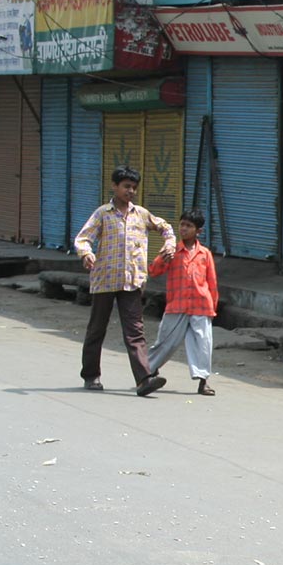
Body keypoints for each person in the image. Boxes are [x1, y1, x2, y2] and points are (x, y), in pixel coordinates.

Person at [73, 165, 175, 396]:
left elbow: (166, 228)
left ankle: (144, 379)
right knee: (96, 329)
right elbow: (83, 238)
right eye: (126, 186)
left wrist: (169, 246)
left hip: (132, 281)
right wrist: (87, 254)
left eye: (134, 188)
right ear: (115, 186)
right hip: (105, 280)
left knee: (135, 331)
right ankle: (91, 375)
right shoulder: (103, 214)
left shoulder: (141, 214)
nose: (130, 191)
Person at [147, 208, 219, 396]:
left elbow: (212, 282)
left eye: (189, 226)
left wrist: (213, 307)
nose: (184, 229)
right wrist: (162, 259)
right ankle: (148, 370)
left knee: (203, 344)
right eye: (182, 225)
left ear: (198, 231)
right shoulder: (171, 251)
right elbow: (153, 271)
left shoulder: (205, 254)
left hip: (201, 305)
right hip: (177, 304)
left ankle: (203, 381)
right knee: (165, 341)